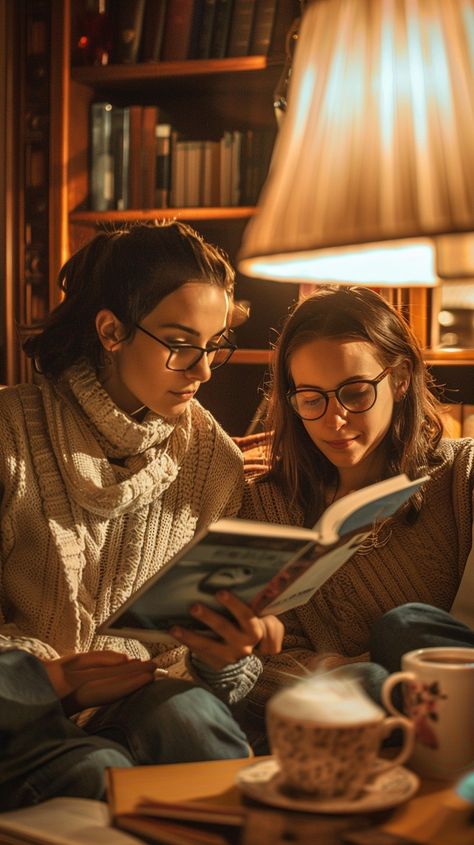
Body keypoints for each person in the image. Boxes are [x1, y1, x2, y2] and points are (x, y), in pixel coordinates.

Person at [0, 221, 284, 807]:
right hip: (19, 709)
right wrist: (53, 681)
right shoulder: (10, 436)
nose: (203, 371)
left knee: (192, 718)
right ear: (111, 330)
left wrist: (225, 658)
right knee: (95, 769)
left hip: (145, 696)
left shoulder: (215, 464)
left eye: (214, 346)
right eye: (181, 344)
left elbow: (204, 673)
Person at [238, 284, 474, 739]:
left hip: (455, 694)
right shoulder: (265, 505)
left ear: (400, 378)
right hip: (343, 714)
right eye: (311, 398)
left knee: (404, 628)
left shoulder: (462, 474)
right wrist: (348, 673)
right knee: (361, 685)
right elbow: (262, 668)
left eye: (355, 392)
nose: (334, 419)